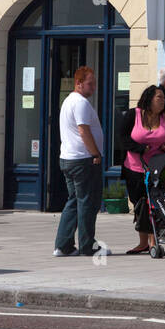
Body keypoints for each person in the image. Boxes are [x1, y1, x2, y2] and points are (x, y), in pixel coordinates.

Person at [120, 85, 165, 254]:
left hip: (159, 168)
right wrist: (139, 148)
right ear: (149, 99)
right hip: (134, 168)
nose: (163, 101)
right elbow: (123, 138)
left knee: (154, 204)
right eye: (159, 97)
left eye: (164, 98)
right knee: (139, 205)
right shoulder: (133, 115)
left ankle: (153, 241)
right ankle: (143, 242)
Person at [53, 66, 108, 258]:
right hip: (83, 160)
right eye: (90, 84)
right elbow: (83, 130)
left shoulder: (68, 101)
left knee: (74, 201)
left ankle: (63, 245)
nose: (93, 87)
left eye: (94, 84)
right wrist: (95, 153)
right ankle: (87, 246)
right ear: (78, 83)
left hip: (69, 158)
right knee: (88, 203)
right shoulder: (81, 103)